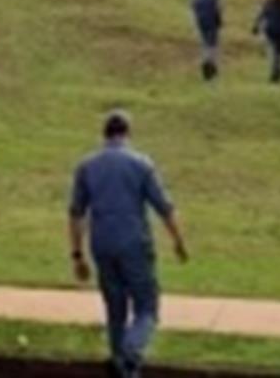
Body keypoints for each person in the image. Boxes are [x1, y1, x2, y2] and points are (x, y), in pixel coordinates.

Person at [68, 110, 189, 378]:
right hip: (134, 242)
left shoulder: (87, 167)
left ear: (105, 134)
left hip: (102, 244)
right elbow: (164, 207)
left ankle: (121, 365)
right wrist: (178, 241)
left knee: (115, 309)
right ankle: (130, 351)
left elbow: (76, 213)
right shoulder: (141, 164)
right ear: (127, 133)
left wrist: (77, 254)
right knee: (147, 306)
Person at [189, 0, 224, 81]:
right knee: (213, 45)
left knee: (204, 43)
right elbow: (218, 7)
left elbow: (193, 10)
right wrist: (219, 20)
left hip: (201, 23)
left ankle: (208, 63)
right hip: (212, 22)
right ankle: (209, 64)